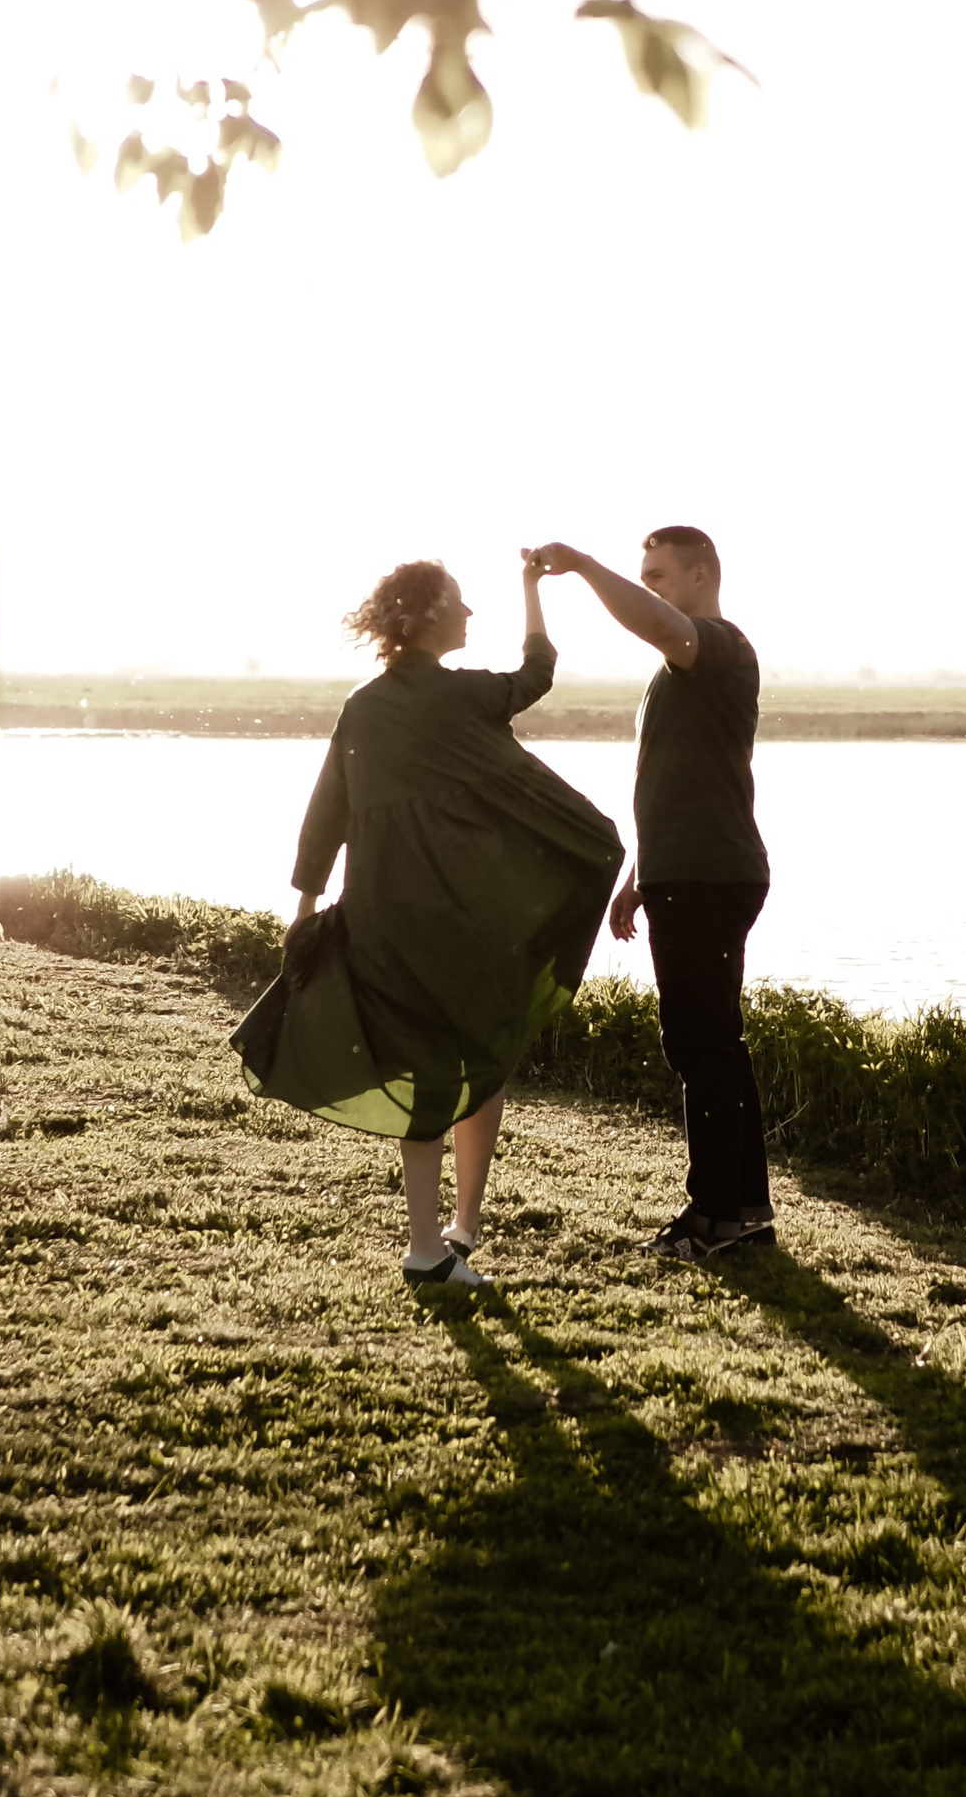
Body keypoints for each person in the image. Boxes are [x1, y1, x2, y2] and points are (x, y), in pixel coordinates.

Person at [233, 551, 621, 1292]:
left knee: (430, 1061)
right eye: (462, 601)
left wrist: (307, 904)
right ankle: (449, 1234)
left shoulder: (363, 705)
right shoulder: (459, 697)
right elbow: (537, 670)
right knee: (478, 1047)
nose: (471, 613)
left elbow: (327, 812)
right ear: (425, 616)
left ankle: (436, 1240)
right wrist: (531, 589)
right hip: (457, 912)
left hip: (383, 913)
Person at [528, 526, 772, 1259]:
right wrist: (639, 874)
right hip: (685, 871)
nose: (652, 586)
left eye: (661, 574)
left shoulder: (719, 647)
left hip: (710, 875)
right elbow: (682, 782)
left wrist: (585, 568)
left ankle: (713, 1218)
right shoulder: (680, 673)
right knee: (713, 1041)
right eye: (646, 573)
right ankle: (746, 1209)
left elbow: (656, 621)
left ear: (702, 576)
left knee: (702, 1045)